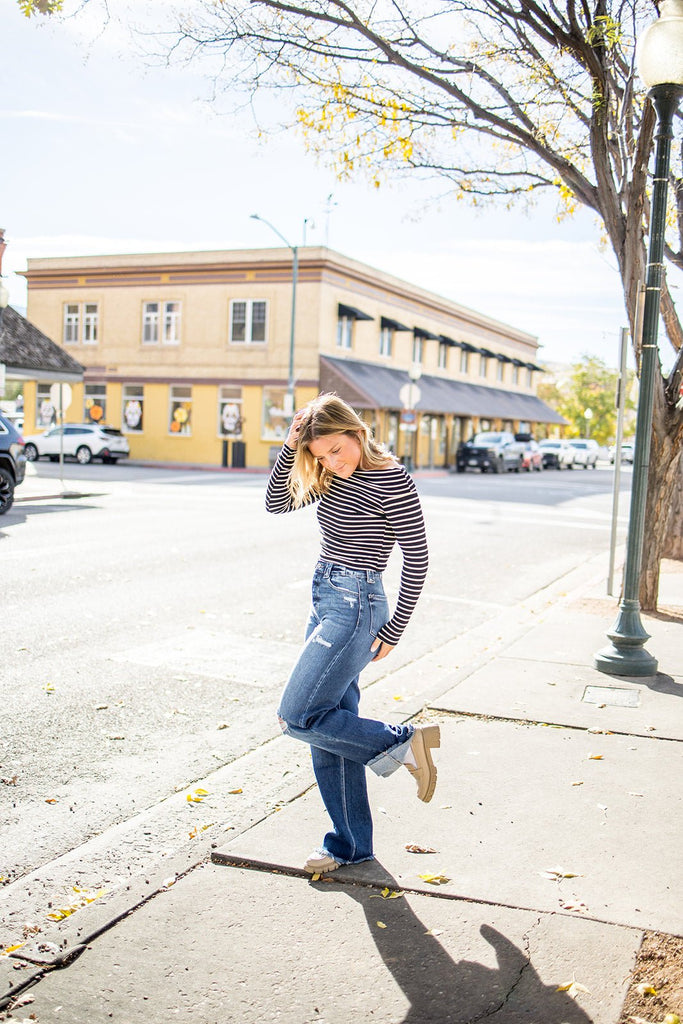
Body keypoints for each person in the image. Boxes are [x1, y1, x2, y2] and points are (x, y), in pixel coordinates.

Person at [265, 393, 439, 875]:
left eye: (337, 450)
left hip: (358, 605)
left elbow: (417, 558)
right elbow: (275, 503)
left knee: (297, 716)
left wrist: (396, 626)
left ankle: (401, 741)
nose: (332, 463)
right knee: (328, 725)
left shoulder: (392, 479)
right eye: (321, 455)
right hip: (325, 599)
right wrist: (292, 444)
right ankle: (350, 845)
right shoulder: (325, 475)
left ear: (358, 433)